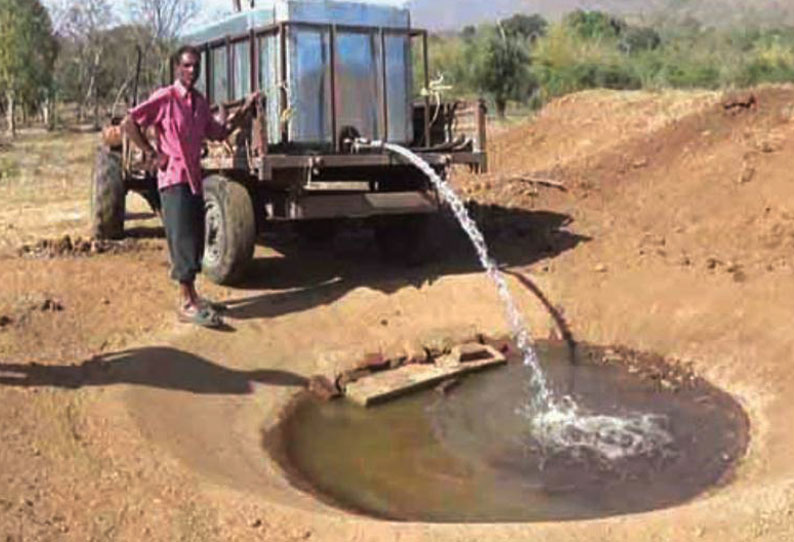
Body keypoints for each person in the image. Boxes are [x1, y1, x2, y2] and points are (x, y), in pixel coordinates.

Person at [122, 44, 260, 328]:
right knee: (182, 241)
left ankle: (193, 295)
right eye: (186, 65)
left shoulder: (198, 101)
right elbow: (129, 122)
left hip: (194, 180)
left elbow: (217, 132)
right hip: (173, 179)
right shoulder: (166, 97)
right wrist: (152, 153)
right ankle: (186, 302)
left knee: (195, 238)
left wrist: (243, 112)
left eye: (195, 66)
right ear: (176, 68)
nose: (192, 71)